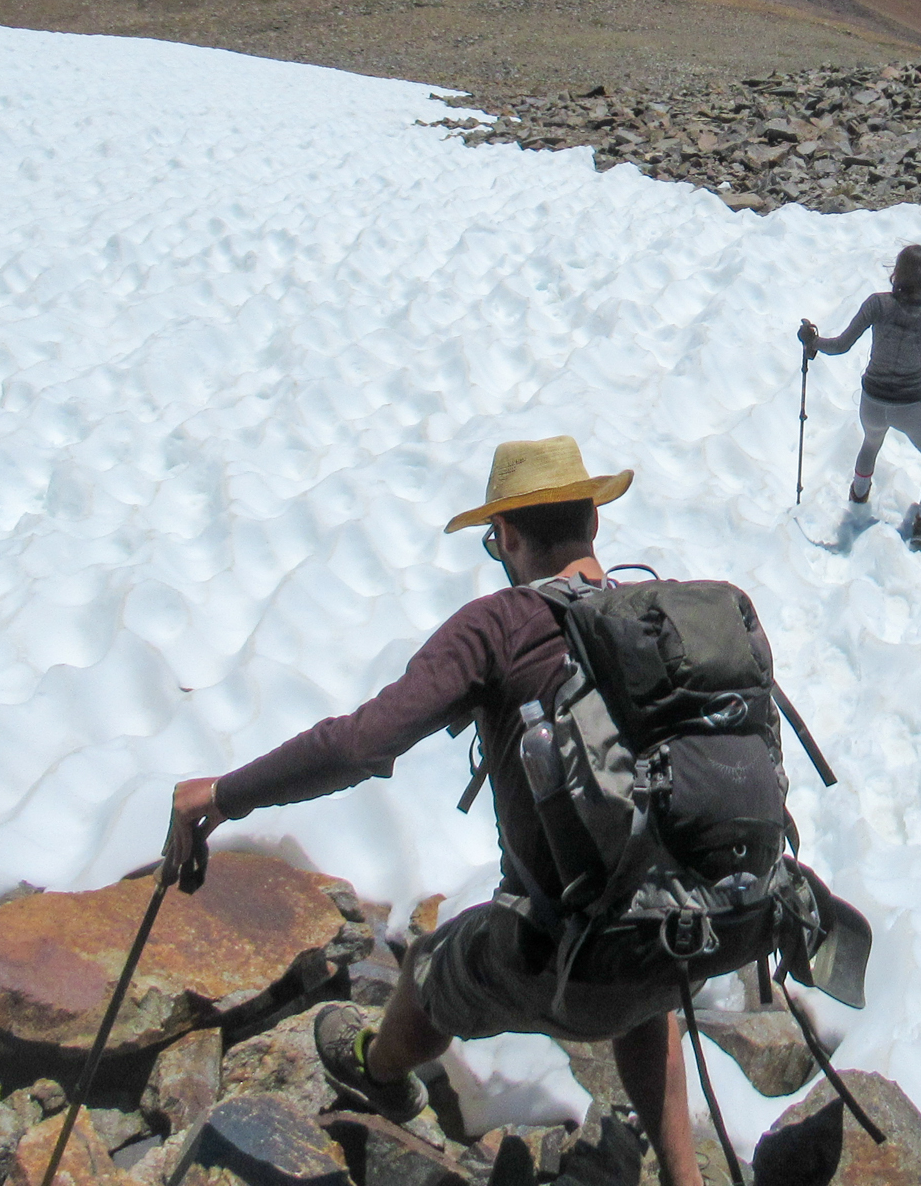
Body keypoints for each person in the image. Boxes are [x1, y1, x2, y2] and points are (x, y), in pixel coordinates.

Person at [170, 437, 704, 1186]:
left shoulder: (499, 626)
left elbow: (362, 743)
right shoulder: (670, 616)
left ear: (508, 536)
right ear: (592, 521)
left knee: (429, 968)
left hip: (560, 957)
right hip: (685, 938)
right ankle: (687, 1179)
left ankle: (377, 1071)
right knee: (639, 970)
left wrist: (224, 794)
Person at [798, 243, 921, 547]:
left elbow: (840, 345)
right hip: (912, 405)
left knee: (871, 442)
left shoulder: (876, 305)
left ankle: (859, 494)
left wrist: (813, 342)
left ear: (896, 274)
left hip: (873, 400)